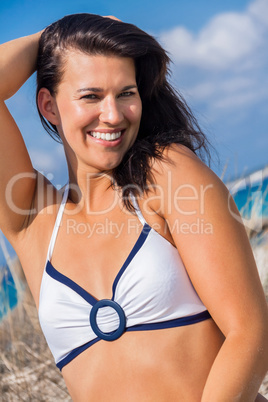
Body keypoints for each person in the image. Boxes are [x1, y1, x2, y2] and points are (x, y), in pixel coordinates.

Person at [0, 13, 267, 402]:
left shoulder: (168, 177)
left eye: (126, 93)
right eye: (91, 96)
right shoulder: (32, 219)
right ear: (49, 106)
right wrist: (56, 37)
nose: (113, 115)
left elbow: (250, 332)